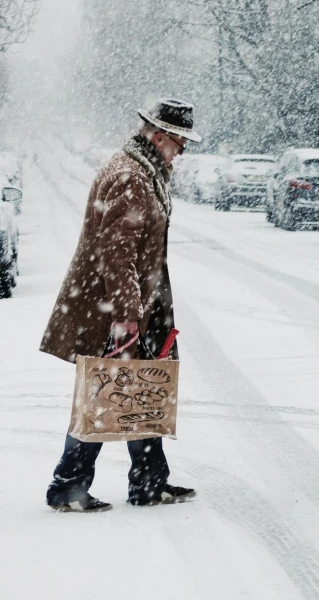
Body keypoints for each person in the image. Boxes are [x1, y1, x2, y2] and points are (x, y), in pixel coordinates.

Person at [40, 98, 202, 512]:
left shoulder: (141, 168)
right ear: (161, 135)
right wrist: (128, 314)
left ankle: (149, 482)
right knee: (104, 389)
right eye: (180, 142)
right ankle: (68, 487)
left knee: (140, 387)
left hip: (134, 300)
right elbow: (118, 251)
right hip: (116, 306)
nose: (182, 151)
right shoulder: (132, 175)